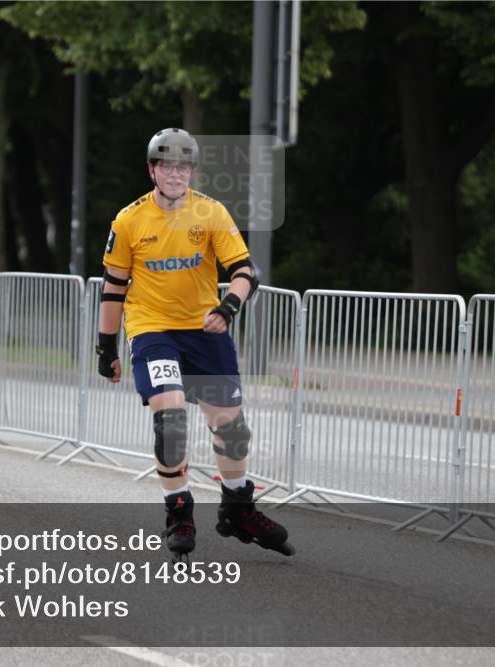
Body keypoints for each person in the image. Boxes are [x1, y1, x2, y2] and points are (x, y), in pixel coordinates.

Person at [96, 128, 293, 562]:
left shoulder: (210, 212)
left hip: (205, 329)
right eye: (165, 165)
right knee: (171, 421)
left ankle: (238, 508)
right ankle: (179, 510)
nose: (174, 173)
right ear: (152, 170)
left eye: (182, 166)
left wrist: (227, 309)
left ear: (192, 171)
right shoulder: (129, 220)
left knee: (232, 430)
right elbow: (113, 289)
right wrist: (105, 347)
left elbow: (245, 271)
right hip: (152, 329)